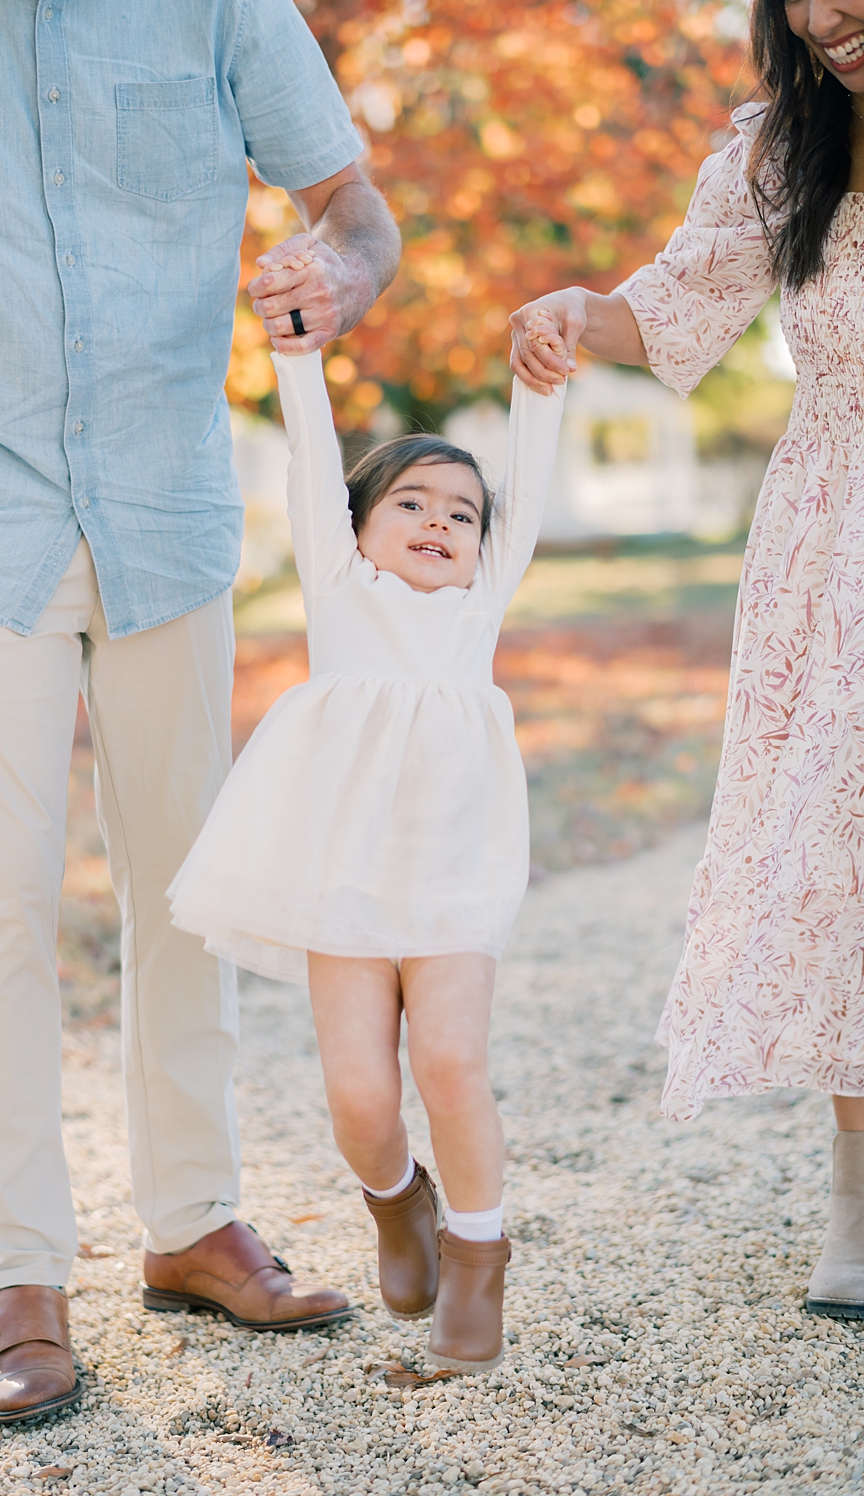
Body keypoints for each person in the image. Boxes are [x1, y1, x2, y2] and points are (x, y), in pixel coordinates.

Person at [0, 0, 403, 1422]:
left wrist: (340, 270)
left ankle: (192, 1222)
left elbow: (356, 209)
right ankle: (22, 1273)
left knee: (189, 889)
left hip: (166, 517)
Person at [509, 0, 864, 1321]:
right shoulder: (781, 151)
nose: (826, 14)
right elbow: (670, 308)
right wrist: (569, 311)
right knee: (841, 853)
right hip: (836, 535)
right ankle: (858, 1197)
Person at [170, 315, 567, 1372]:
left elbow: (526, 489)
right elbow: (309, 458)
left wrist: (540, 389)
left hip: (451, 877)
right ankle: (398, 1200)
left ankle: (476, 1260)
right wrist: (295, 356)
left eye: (461, 513)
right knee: (359, 1095)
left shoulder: (479, 601)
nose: (439, 521)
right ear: (356, 525)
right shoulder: (338, 586)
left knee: (451, 1061)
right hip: (339, 878)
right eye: (411, 502)